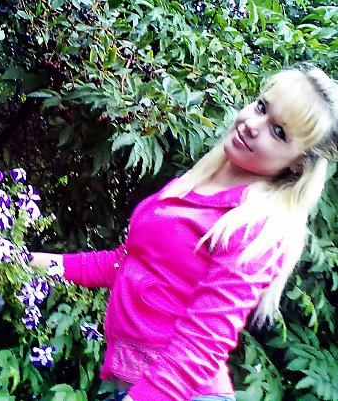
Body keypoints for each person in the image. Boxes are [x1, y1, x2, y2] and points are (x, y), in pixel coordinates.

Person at [31, 65, 338, 401]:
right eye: (261, 106)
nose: (253, 125)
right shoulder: (195, 184)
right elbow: (126, 263)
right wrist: (26, 262)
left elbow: (202, 345)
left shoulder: (254, 225)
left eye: (278, 132)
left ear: (298, 163)